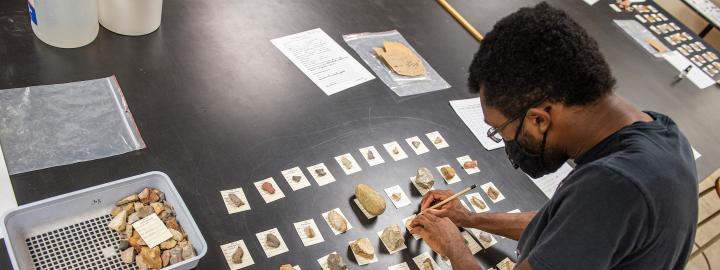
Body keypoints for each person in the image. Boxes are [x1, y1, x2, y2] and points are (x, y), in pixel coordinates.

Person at [409, 2, 698, 270]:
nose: (504, 140)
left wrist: (454, 247)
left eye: (500, 129)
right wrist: (469, 219)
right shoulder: (661, 132)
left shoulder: (616, 187)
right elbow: (567, 225)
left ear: (538, 119)